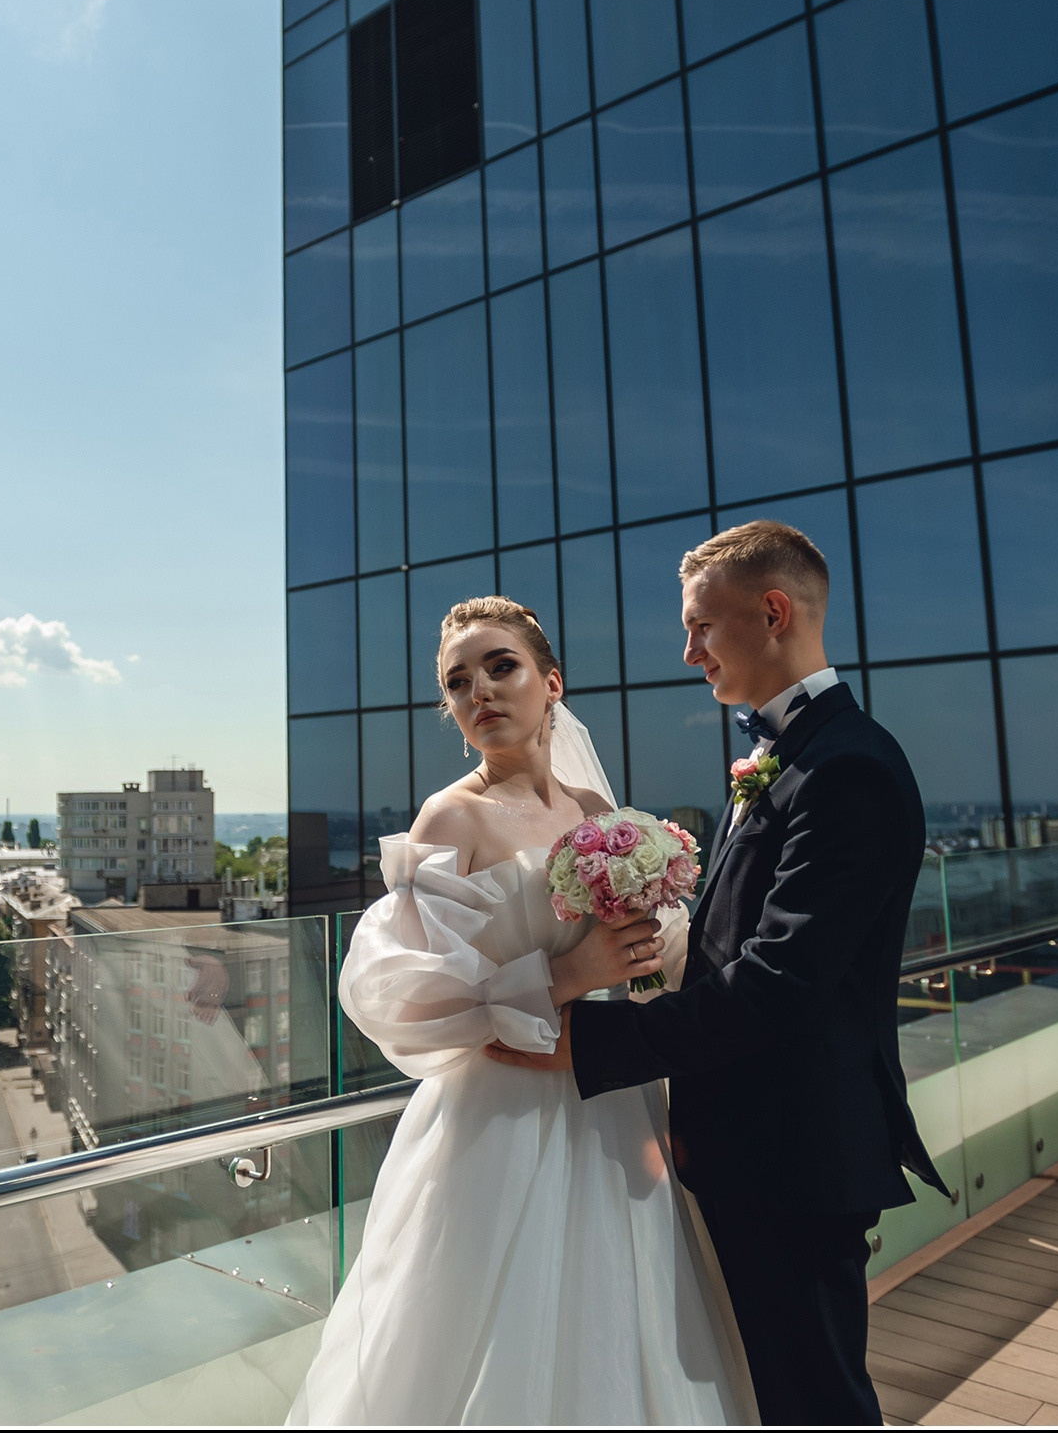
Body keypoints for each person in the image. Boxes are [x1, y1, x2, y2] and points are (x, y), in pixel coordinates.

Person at [491, 521, 947, 1426]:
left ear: (773, 613)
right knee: (773, 1394)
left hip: (794, 1156)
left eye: (702, 625)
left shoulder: (846, 769)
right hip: (755, 1146)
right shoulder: (800, 755)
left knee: (814, 1402)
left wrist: (591, 1040)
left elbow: (779, 983)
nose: (689, 650)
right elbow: (736, 943)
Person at [288, 597, 754, 1425]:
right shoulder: (450, 817)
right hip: (500, 1113)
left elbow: (659, 958)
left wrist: (648, 953)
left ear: (552, 682)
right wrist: (569, 972)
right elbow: (406, 995)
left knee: (626, 1318)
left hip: (613, 1101)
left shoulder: (600, 814)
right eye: (457, 682)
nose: (479, 692)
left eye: (500, 667)